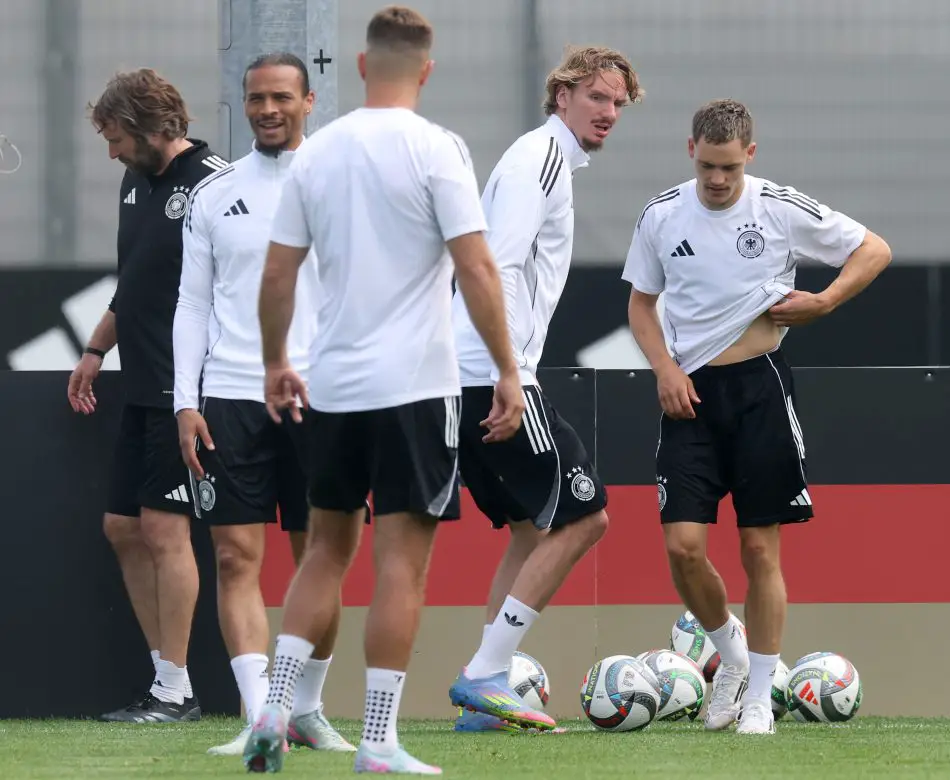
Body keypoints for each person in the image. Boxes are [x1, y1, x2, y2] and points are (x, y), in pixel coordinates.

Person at [242, 6, 530, 774]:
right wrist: (507, 369)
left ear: (361, 69)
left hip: (332, 387)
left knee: (323, 554)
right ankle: (377, 740)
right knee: (401, 567)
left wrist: (276, 361)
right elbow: (476, 268)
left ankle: (275, 703)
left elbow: (276, 275)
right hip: (415, 389)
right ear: (425, 71)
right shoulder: (438, 149)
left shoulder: (317, 154)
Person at [621, 99, 892, 735]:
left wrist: (824, 301)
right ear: (690, 150)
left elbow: (874, 250)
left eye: (729, 167)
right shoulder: (661, 214)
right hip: (688, 396)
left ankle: (759, 700)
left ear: (750, 155)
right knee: (683, 548)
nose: (718, 179)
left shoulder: (777, 206)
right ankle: (733, 658)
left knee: (757, 548)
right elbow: (641, 302)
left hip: (760, 390)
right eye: (708, 165)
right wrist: (664, 367)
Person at [446, 45, 643, 734]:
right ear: (562, 96)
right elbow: (492, 265)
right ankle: (484, 675)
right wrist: (506, 372)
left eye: (618, 103)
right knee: (587, 516)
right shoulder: (543, 158)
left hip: (472, 372)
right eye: (597, 97)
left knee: (532, 532)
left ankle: (486, 697)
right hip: (493, 373)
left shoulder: (542, 158)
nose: (609, 112)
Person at [173, 52, 355, 756]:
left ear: (310, 101)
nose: (268, 110)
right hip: (230, 397)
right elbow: (191, 304)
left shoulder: (340, 187)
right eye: (256, 99)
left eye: (282, 97)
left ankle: (304, 707)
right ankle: (261, 719)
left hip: (324, 399)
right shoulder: (215, 194)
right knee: (232, 559)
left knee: (322, 559)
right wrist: (186, 401)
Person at [70, 68, 230, 724]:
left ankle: (175, 693)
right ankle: (170, 680)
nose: (109, 152)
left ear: (146, 125)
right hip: (139, 383)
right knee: (123, 528)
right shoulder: (135, 181)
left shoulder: (217, 181)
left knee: (166, 530)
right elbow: (134, 279)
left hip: (189, 388)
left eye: (114, 137)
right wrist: (94, 348)